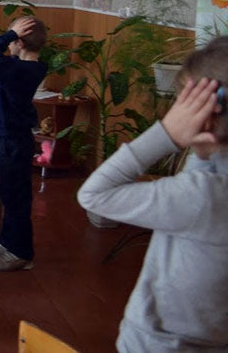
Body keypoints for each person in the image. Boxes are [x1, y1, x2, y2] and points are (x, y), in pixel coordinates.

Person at [78, 42, 228, 353]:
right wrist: (203, 144)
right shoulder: (209, 188)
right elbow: (204, 171)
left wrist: (168, 134)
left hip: (160, 344)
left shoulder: (203, 197)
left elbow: (95, 194)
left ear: (206, 118)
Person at [0, 16, 47, 271]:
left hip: (15, 140)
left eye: (12, 39)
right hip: (10, 137)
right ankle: (7, 241)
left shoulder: (21, 71)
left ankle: (20, 251)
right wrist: (13, 36)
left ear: (18, 42)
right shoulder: (20, 66)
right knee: (9, 192)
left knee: (16, 196)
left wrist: (8, 35)